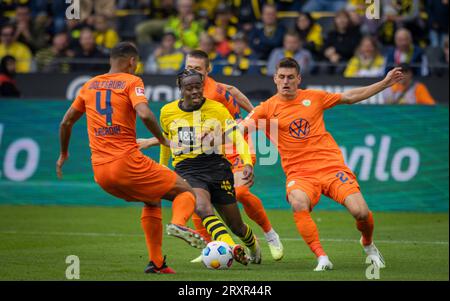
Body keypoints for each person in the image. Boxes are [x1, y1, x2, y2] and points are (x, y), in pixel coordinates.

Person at [240, 57, 404, 271]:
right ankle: (322, 257)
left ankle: (368, 244)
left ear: (299, 79)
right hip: (300, 174)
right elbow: (240, 129)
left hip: (331, 168)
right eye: (281, 77)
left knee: (361, 213)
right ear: (275, 79)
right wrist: (213, 138)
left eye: (290, 77)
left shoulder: (314, 98)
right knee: (298, 202)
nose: (286, 81)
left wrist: (384, 83)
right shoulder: (266, 109)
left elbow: (350, 96)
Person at [56, 42, 206, 274]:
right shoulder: (132, 81)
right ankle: (178, 224)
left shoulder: (89, 85)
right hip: (127, 162)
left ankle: (156, 263)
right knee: (187, 192)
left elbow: (66, 122)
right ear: (132, 61)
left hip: (101, 173)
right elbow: (145, 114)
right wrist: (162, 139)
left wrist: (64, 153)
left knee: (152, 200)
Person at [140, 69, 261, 265]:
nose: (195, 91)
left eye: (198, 87)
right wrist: (162, 168)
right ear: (180, 89)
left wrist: (246, 161)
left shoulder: (218, 109)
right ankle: (230, 247)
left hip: (216, 166)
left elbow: (237, 137)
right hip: (187, 168)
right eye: (189, 88)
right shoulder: (167, 112)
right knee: (203, 207)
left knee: (236, 225)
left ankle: (252, 244)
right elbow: (166, 142)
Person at [181, 50, 284, 261]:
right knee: (199, 200)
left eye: (197, 69)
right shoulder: (200, 87)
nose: (192, 71)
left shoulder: (208, 94)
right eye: (189, 67)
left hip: (236, 148)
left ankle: (270, 234)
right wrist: (253, 111)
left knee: (241, 193)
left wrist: (253, 115)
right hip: (213, 153)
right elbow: (232, 89)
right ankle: (211, 247)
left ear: (208, 70)